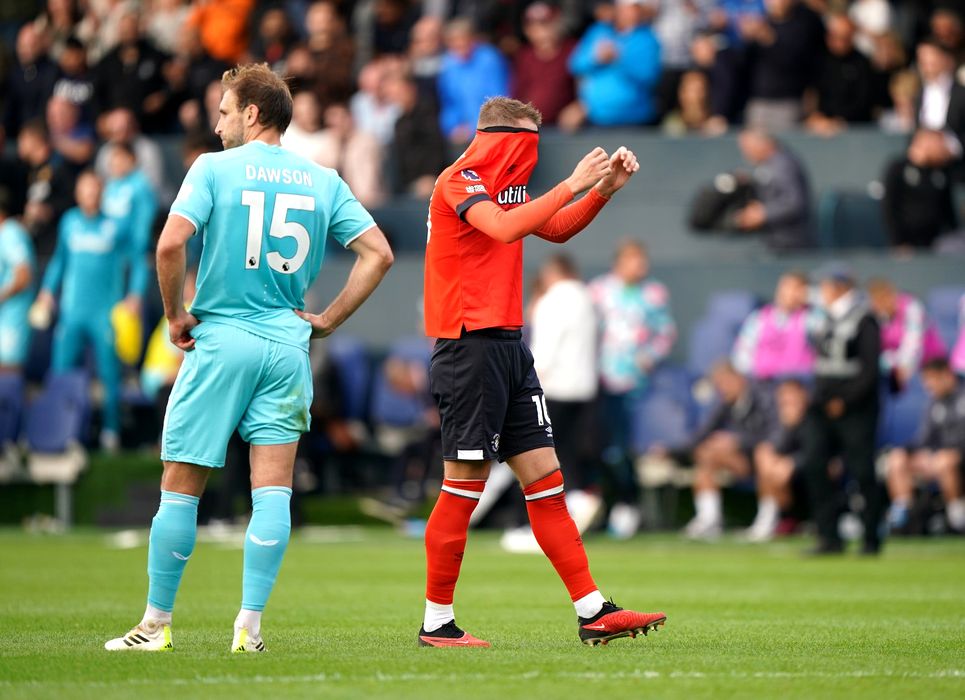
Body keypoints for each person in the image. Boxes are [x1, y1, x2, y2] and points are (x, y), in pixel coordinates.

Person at [103, 63, 393, 653]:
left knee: (180, 485)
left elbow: (170, 244)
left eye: (225, 111)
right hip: (287, 347)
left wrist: (174, 314)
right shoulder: (322, 179)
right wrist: (329, 319)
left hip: (223, 339)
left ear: (252, 113)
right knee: (273, 492)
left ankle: (155, 626)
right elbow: (380, 254)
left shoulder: (213, 168)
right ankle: (249, 628)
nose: (218, 125)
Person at [420, 96, 665, 648]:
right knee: (463, 487)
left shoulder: (504, 187)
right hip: (467, 347)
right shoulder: (459, 180)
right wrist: (573, 182)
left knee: (547, 481)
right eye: (525, 142)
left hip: (508, 346)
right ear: (499, 139)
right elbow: (505, 229)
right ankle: (436, 622)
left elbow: (552, 229)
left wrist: (600, 192)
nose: (530, 155)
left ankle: (592, 610)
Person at [34, 171, 139, 450]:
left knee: (109, 373)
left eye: (95, 190)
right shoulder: (69, 222)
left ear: (102, 193)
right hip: (72, 311)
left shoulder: (116, 226)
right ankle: (58, 429)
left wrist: (135, 295)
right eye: (85, 190)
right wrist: (47, 290)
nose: (90, 196)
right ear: (78, 194)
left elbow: (138, 261)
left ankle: (111, 432)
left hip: (104, 312)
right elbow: (59, 261)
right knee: (60, 370)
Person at [589, 239, 676, 538]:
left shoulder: (653, 294)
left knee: (627, 447)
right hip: (600, 383)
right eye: (634, 260)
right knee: (602, 447)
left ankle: (628, 504)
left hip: (637, 386)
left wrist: (647, 358)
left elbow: (665, 332)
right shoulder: (598, 291)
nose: (640, 266)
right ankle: (604, 505)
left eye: (642, 260)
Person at [800, 262, 883, 555]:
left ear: (839, 286)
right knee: (814, 463)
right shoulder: (823, 319)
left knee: (862, 470)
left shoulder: (865, 319)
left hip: (856, 410)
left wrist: (844, 400)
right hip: (823, 407)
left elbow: (869, 370)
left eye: (825, 285)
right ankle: (829, 536)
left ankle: (871, 537)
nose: (821, 291)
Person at [682, 360, 776, 540]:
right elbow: (703, 433)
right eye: (718, 385)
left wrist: (737, 441)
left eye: (724, 383)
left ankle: (767, 521)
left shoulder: (763, 396)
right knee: (706, 453)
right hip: (743, 461)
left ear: (738, 378)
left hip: (768, 456)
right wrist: (670, 452)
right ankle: (709, 519)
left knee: (764, 453)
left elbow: (773, 434)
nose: (722, 389)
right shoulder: (726, 403)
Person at [886, 358, 965, 534]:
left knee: (944, 460)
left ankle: (957, 517)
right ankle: (903, 515)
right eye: (926, 380)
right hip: (937, 458)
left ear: (947, 375)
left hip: (956, 458)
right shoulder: (934, 403)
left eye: (932, 379)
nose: (929, 385)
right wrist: (905, 450)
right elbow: (923, 439)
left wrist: (953, 452)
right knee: (897, 459)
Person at [566, 0, 662, 129]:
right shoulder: (598, 31)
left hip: (634, 121)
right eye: (628, 8)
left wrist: (619, 59)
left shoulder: (647, 39)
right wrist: (595, 58)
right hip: (594, 119)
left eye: (636, 8)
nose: (632, 13)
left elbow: (649, 76)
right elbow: (575, 64)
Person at [746, 378, 809, 542]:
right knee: (764, 453)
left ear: (803, 395)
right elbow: (778, 447)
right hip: (788, 474)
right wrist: (788, 427)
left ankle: (784, 517)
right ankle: (770, 517)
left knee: (775, 465)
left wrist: (793, 463)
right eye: (783, 399)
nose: (787, 403)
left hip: (816, 470)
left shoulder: (815, 417)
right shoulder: (783, 419)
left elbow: (819, 451)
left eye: (791, 397)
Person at [734, 129, 813, 251]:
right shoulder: (768, 164)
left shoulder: (784, 164)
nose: (746, 154)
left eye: (748, 148)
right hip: (775, 240)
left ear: (764, 143)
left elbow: (794, 202)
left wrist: (763, 214)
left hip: (791, 243)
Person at [101, 141, 158, 310]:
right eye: (113, 158)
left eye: (120, 157)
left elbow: (145, 215)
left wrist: (140, 239)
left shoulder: (140, 184)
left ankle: (136, 297)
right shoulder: (110, 186)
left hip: (133, 246)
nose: (115, 162)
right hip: (113, 249)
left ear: (132, 159)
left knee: (138, 267)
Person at [732, 271, 815, 381]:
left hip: (798, 385)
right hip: (764, 384)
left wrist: (812, 298)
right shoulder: (759, 318)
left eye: (796, 289)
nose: (789, 293)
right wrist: (752, 377)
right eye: (786, 287)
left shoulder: (811, 318)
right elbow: (742, 353)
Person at [437, 18, 509, 143]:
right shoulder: (448, 65)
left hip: (491, 130)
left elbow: (498, 98)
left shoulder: (489, 58)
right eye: (453, 40)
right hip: (461, 134)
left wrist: (474, 127)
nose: (459, 43)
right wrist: (453, 127)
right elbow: (448, 102)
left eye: (463, 38)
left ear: (472, 38)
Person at [866, 278, 947, 391]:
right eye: (876, 301)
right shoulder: (877, 316)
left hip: (929, 363)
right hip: (898, 366)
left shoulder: (912, 308)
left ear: (892, 295)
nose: (879, 304)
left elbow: (913, 344)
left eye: (883, 298)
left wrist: (902, 365)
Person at [806, 13, 876, 136]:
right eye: (834, 36)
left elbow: (863, 100)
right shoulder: (819, 60)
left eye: (844, 37)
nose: (839, 42)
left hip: (855, 130)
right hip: (822, 128)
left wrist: (840, 120)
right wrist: (815, 116)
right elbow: (812, 93)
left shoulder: (862, 63)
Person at [511, 2, 577, 126]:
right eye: (533, 26)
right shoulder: (525, 56)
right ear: (527, 30)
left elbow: (586, 84)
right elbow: (517, 94)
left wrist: (580, 106)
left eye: (545, 24)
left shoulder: (572, 50)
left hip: (565, 128)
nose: (541, 31)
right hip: (533, 127)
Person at [0, 188, 36, 372]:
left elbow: (23, 276)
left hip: (13, 316)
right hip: (4, 314)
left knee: (8, 369)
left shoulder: (11, 233)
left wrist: (1, 295)